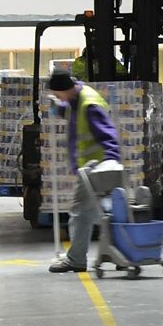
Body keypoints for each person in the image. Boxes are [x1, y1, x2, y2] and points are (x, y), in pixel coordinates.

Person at [43, 68, 121, 274]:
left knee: (80, 213)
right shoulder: (75, 99)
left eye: (58, 95)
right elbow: (70, 111)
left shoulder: (89, 105)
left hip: (97, 167)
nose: (59, 98)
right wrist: (58, 107)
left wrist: (112, 162)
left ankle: (76, 259)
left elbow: (108, 134)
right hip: (92, 166)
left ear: (66, 90)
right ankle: (123, 253)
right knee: (105, 211)